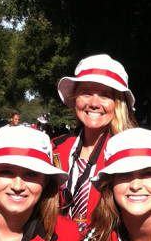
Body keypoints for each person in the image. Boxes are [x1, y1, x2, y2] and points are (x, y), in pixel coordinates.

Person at [52, 54, 138, 231]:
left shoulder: (133, 154)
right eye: (86, 93)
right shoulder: (55, 148)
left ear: (118, 104)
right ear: (75, 98)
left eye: (105, 95)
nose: (94, 103)